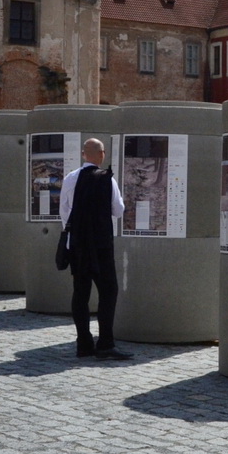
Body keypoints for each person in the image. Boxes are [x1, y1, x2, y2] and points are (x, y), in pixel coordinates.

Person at [59, 138, 132, 361]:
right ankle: (106, 343)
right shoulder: (107, 179)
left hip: (77, 244)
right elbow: (118, 210)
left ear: (83, 154)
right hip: (100, 244)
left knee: (80, 293)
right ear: (102, 154)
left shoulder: (70, 178)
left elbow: (64, 211)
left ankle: (83, 343)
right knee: (108, 291)